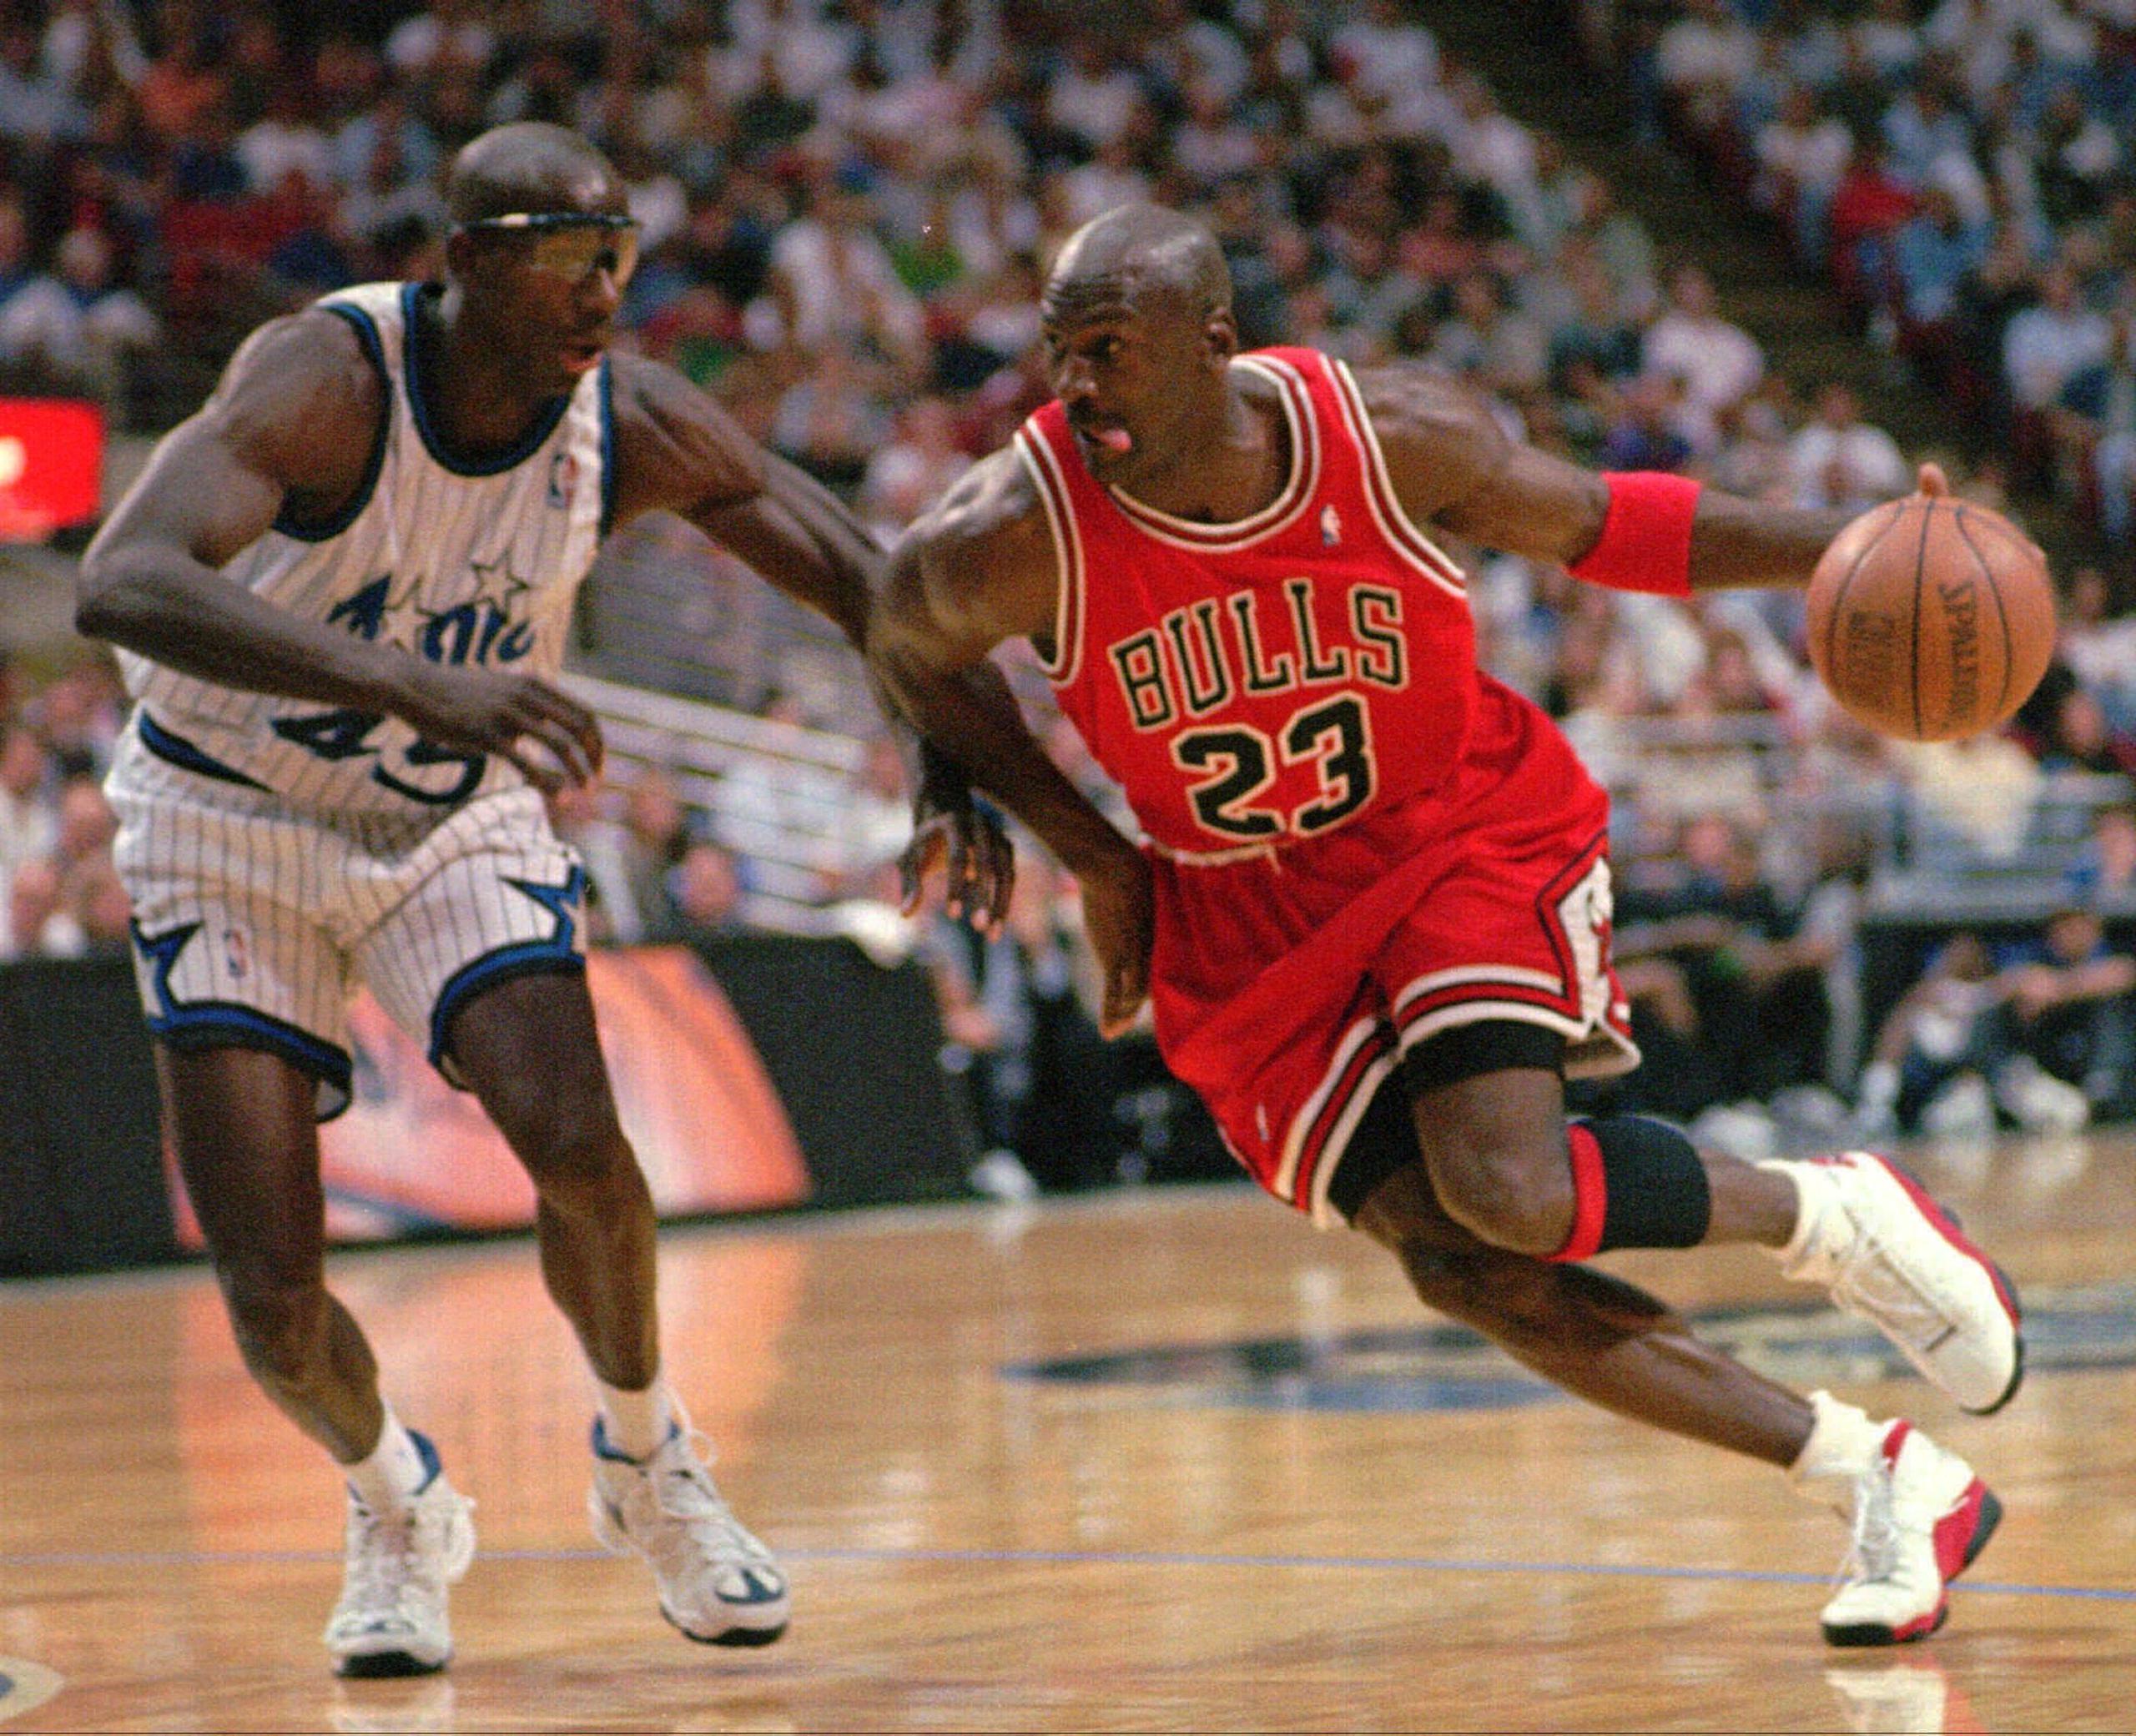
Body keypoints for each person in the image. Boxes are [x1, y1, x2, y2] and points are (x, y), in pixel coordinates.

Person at [872, 204, 2023, 1649]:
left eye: (1109, 353)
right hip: (1239, 914)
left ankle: (1841, 1215)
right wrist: (1071, 843)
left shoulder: (1386, 437)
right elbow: (904, 639)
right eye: (1062, 357)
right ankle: (1882, 1478)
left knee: (1509, 1186)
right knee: (1462, 1262)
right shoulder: (1015, 529)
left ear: (1215, 346)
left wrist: (1843, 545)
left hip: (1453, 833)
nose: (1077, 388)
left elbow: (1609, 525)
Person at [75, 123, 1010, 1678]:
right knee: (273, 1301)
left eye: (618, 258)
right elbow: (123, 575)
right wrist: (412, 681)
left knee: (581, 1140)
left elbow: (858, 565)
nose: (601, 293)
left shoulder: (625, 422)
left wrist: (946, 748)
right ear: (464, 261)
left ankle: (649, 1460)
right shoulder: (327, 382)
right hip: (222, 813)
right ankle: (396, 1501)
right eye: (566, 257)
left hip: (448, 814)